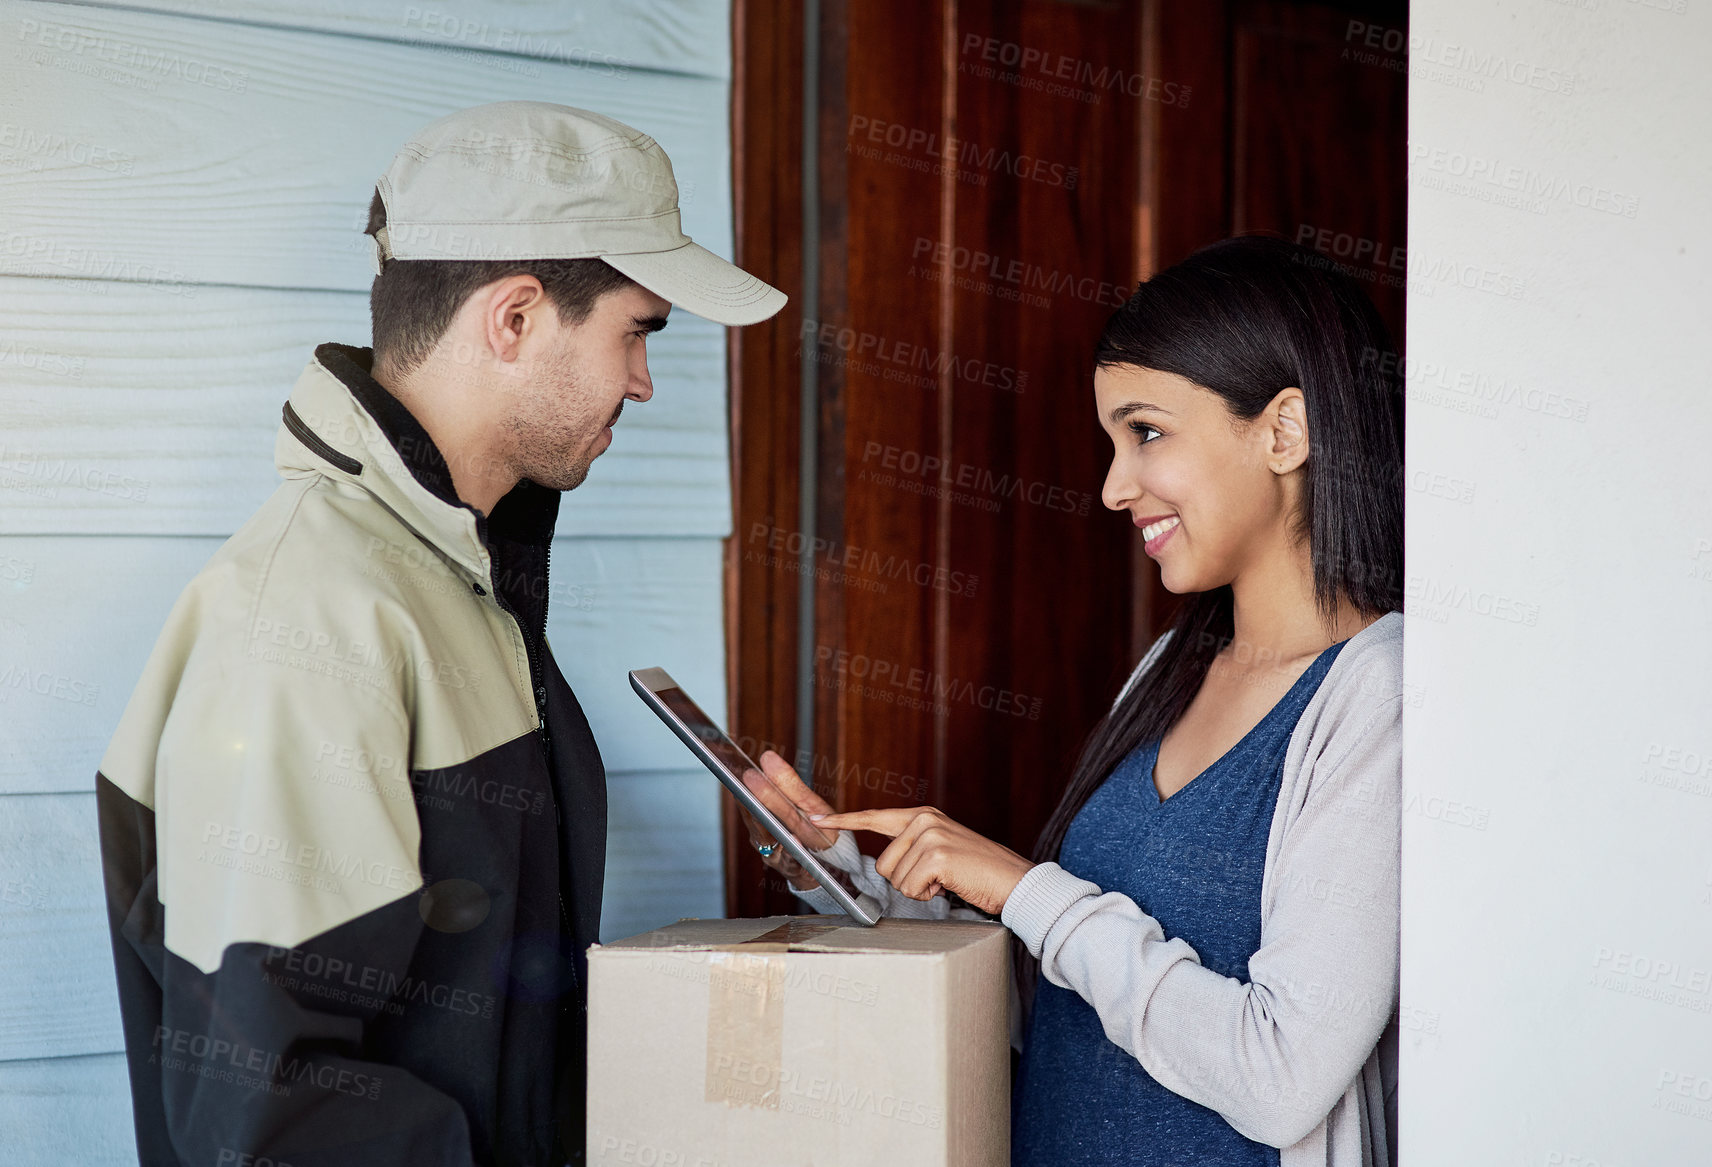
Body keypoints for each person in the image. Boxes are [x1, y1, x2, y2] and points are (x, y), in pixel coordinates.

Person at [95, 101, 784, 1167]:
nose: (642, 380)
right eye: (635, 332)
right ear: (513, 319)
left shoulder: (459, 583)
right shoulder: (311, 617)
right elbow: (274, 1115)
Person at [748, 235, 1403, 1166]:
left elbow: (1281, 1074)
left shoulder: (1377, 692)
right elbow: (1061, 989)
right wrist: (846, 870)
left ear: (1284, 432)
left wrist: (1025, 887)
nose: (1111, 487)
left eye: (1146, 432)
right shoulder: (1175, 665)